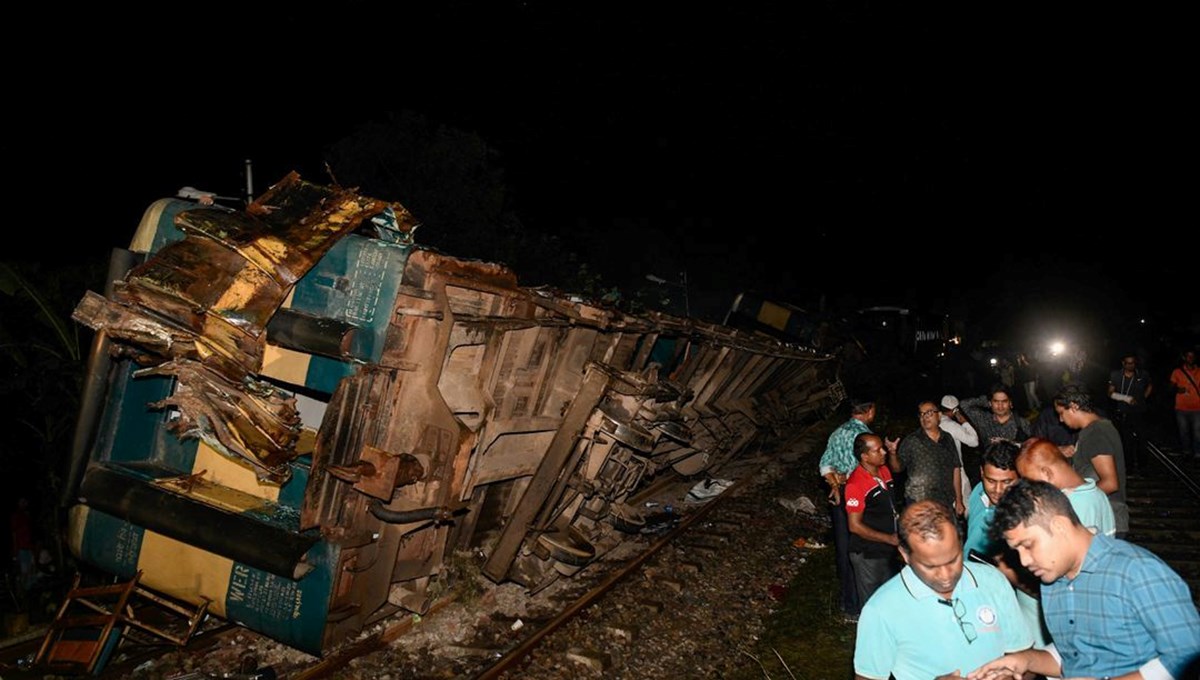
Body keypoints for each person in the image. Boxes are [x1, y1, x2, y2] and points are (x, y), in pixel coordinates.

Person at [971, 480, 1200, 680]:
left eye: (1028, 545)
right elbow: (1075, 655)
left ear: (1059, 526)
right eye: (1017, 550)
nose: (1024, 561)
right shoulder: (1053, 582)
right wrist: (1026, 660)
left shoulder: (1137, 571)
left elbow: (1188, 651)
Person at [853, 500, 1033, 680]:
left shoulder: (992, 581)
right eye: (930, 567)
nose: (946, 576)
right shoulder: (881, 610)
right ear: (905, 554)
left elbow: (1029, 661)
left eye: (953, 560)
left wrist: (1011, 677)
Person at [819, 397, 897, 619]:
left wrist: (835, 485)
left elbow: (825, 464)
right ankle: (868, 608)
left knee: (847, 550)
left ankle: (851, 604)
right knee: (863, 543)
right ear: (870, 411)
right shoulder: (866, 438)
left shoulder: (837, 433)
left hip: (846, 495)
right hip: (862, 495)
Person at [1054, 384, 1128, 537]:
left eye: (1061, 413)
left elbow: (1110, 483)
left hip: (1107, 520)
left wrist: (1073, 497)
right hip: (1103, 518)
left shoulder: (1096, 432)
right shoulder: (1096, 429)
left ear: (1073, 407)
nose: (1061, 420)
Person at [1015, 437, 1115, 537]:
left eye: (1033, 483)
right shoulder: (1097, 493)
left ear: (1047, 473)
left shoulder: (1075, 504)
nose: (1033, 489)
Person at [844, 433, 900, 606]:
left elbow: (898, 469)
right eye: (878, 450)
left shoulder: (883, 469)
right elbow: (854, 526)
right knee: (873, 603)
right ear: (865, 457)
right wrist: (889, 538)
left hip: (887, 548)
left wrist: (892, 453)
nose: (882, 452)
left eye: (882, 448)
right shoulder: (855, 484)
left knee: (890, 596)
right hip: (868, 553)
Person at [891, 401, 963, 516]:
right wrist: (893, 453)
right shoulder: (912, 440)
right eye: (921, 414)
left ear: (939, 415)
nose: (925, 417)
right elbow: (897, 468)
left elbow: (956, 469)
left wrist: (959, 500)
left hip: (945, 502)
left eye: (929, 413)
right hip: (919, 501)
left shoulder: (947, 438)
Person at [963, 441, 1020, 559]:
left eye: (1007, 482)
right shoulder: (978, 491)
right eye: (991, 481)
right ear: (982, 473)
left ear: (1019, 477)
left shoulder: (1019, 513)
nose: (998, 490)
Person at [1107, 352, 1152, 472]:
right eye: (1128, 363)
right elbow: (1110, 393)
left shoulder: (1142, 374)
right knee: (1127, 442)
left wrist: (1143, 398)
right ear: (1123, 363)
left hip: (1140, 412)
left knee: (1142, 440)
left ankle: (1143, 467)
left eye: (1133, 363)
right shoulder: (1116, 375)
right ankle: (1129, 466)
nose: (1131, 365)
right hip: (1123, 412)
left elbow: (1150, 386)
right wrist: (1126, 399)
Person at [939, 395, 978, 513]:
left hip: (940, 473)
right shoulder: (952, 426)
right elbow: (974, 442)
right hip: (957, 472)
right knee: (968, 509)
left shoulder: (934, 424)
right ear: (955, 410)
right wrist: (963, 421)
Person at [960, 385, 1030, 447]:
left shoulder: (1022, 423)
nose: (1000, 406)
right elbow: (963, 405)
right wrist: (986, 401)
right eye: (996, 401)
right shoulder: (984, 420)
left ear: (1010, 403)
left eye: (1004, 401)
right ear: (990, 403)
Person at [1169, 349, 1200, 458]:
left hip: (1197, 407)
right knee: (1184, 432)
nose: (1190, 359)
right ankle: (1186, 452)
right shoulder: (1177, 372)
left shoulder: (1199, 371)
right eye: (1188, 356)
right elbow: (1170, 387)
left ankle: (1197, 453)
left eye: (1192, 356)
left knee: (1197, 433)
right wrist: (1177, 389)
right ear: (1184, 358)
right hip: (1181, 408)